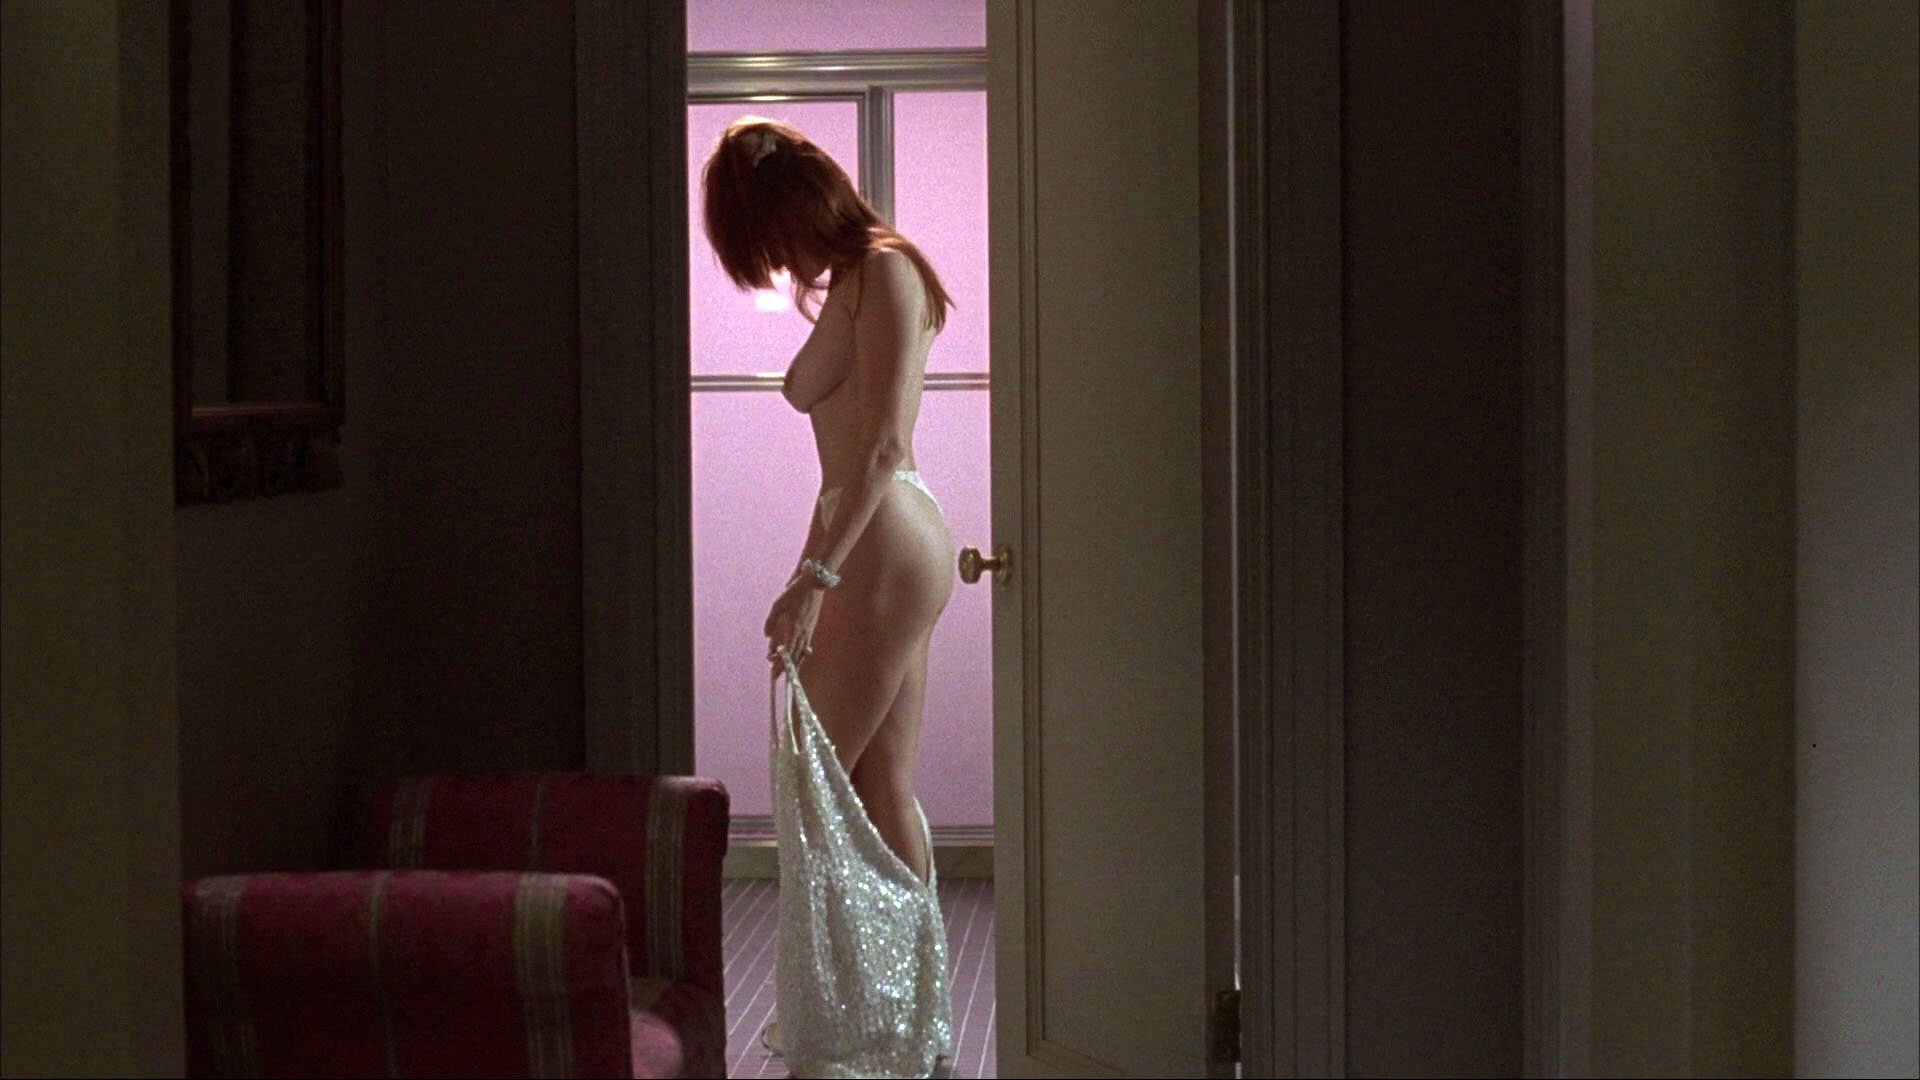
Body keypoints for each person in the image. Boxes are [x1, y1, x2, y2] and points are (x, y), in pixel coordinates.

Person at [702, 115, 956, 1078]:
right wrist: (808, 568)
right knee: (878, 784)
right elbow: (843, 462)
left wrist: (816, 579)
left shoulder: (885, 269)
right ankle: (912, 1026)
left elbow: (883, 447)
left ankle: (868, 1018)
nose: (778, 265)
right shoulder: (847, 283)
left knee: (814, 789)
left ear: (800, 207)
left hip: (886, 537)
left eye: (772, 242)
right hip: (867, 536)